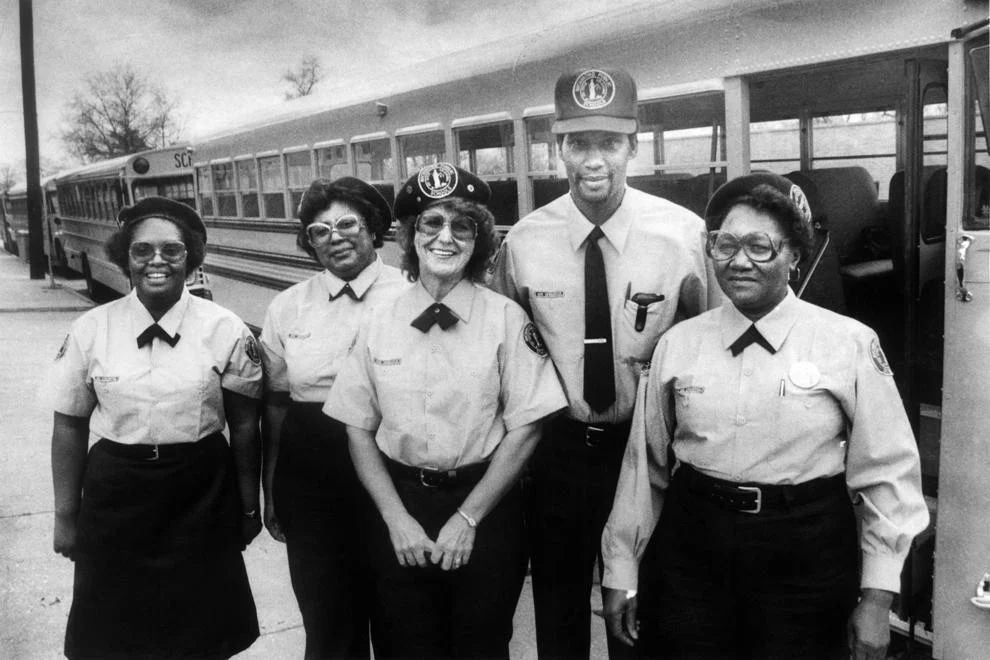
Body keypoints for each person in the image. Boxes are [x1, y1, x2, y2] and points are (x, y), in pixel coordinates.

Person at [601, 172, 930, 660]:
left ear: (794, 256)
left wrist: (878, 599)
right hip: (694, 548)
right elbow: (643, 468)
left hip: (806, 554)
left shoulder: (848, 343)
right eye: (725, 244)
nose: (739, 261)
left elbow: (887, 474)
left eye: (760, 246)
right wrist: (622, 569)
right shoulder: (678, 344)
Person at [489, 67, 720, 659]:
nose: (594, 160)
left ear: (633, 147)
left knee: (639, 614)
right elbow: (505, 353)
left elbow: (716, 341)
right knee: (559, 611)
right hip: (559, 453)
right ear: (558, 149)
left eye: (609, 143)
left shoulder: (682, 236)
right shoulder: (524, 243)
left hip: (648, 453)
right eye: (578, 143)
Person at [324, 162, 567, 659]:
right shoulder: (378, 321)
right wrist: (395, 519)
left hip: (485, 507)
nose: (446, 238)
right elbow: (358, 429)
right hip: (400, 504)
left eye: (463, 226)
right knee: (402, 644)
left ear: (479, 241)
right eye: (431, 223)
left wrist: (467, 519)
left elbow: (527, 428)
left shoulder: (506, 319)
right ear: (411, 236)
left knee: (481, 645)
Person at [49, 196, 263, 659]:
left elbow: (246, 425)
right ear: (124, 256)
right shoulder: (92, 328)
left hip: (200, 492)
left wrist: (249, 507)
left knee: (200, 632)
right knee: (115, 633)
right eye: (142, 250)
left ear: (191, 257)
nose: (157, 261)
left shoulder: (224, 327)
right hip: (116, 494)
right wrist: (66, 516)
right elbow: (68, 425)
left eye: (172, 250)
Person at [259, 176, 404, 659]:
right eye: (319, 231)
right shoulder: (287, 306)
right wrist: (272, 486)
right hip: (311, 474)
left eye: (347, 224)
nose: (334, 237)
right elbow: (276, 402)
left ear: (373, 228)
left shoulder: (412, 294)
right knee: (327, 623)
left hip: (392, 464)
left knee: (400, 617)